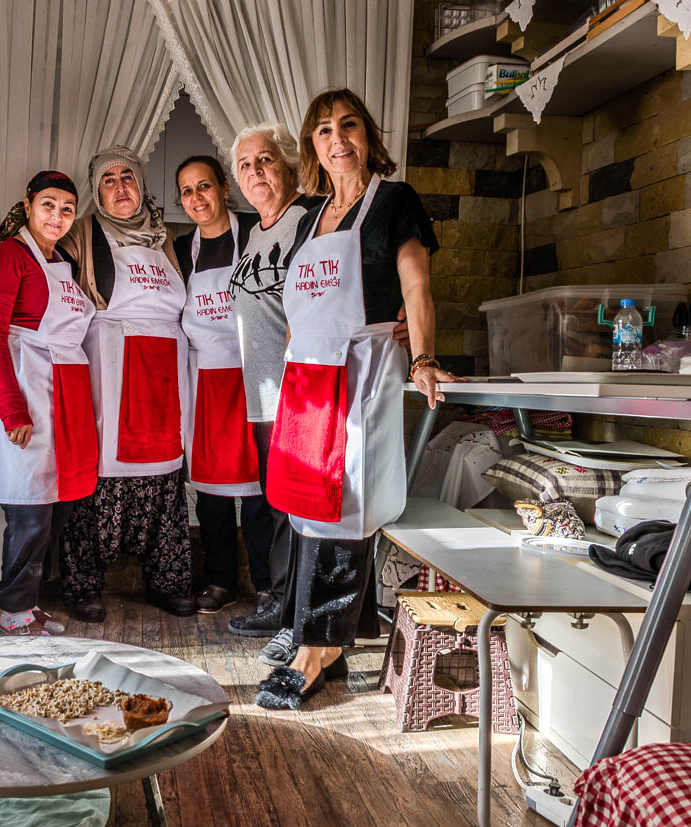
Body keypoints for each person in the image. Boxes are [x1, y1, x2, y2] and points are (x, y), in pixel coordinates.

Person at [255, 89, 461, 710]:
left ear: (367, 135)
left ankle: (316, 649)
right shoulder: (311, 217)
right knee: (303, 503)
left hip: (361, 366)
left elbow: (416, 286)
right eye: (323, 130)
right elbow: (300, 307)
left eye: (348, 126)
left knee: (344, 503)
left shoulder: (395, 202)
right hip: (306, 377)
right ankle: (334, 637)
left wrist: (422, 356)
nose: (337, 139)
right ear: (311, 147)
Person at [56, 146, 196, 622]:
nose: (120, 186)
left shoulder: (168, 238)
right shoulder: (79, 234)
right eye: (109, 179)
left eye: (128, 177)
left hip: (166, 369)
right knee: (103, 470)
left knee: (165, 470)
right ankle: (83, 585)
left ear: (141, 184)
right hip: (110, 363)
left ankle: (167, 579)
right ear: (96, 190)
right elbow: (31, 264)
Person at [0, 170, 97, 636]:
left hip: (66, 393)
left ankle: (28, 603)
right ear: (28, 205)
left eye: (67, 209)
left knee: (55, 507)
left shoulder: (63, 260)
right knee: (29, 509)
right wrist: (11, 410)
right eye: (48, 205)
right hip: (29, 389)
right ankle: (12, 610)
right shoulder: (9, 257)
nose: (58, 216)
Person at [222, 123, 323, 665]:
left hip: (297, 392)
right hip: (261, 394)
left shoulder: (309, 221)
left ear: (286, 165)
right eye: (244, 165)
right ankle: (282, 604)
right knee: (276, 503)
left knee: (296, 508)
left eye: (264, 161)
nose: (255, 172)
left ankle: (295, 618)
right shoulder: (256, 231)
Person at [172, 155, 273, 614]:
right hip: (206, 378)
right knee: (211, 488)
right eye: (188, 191)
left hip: (257, 373)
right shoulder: (179, 250)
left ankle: (269, 583)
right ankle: (220, 580)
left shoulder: (256, 233)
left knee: (259, 486)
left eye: (205, 187)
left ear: (225, 189)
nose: (197, 198)